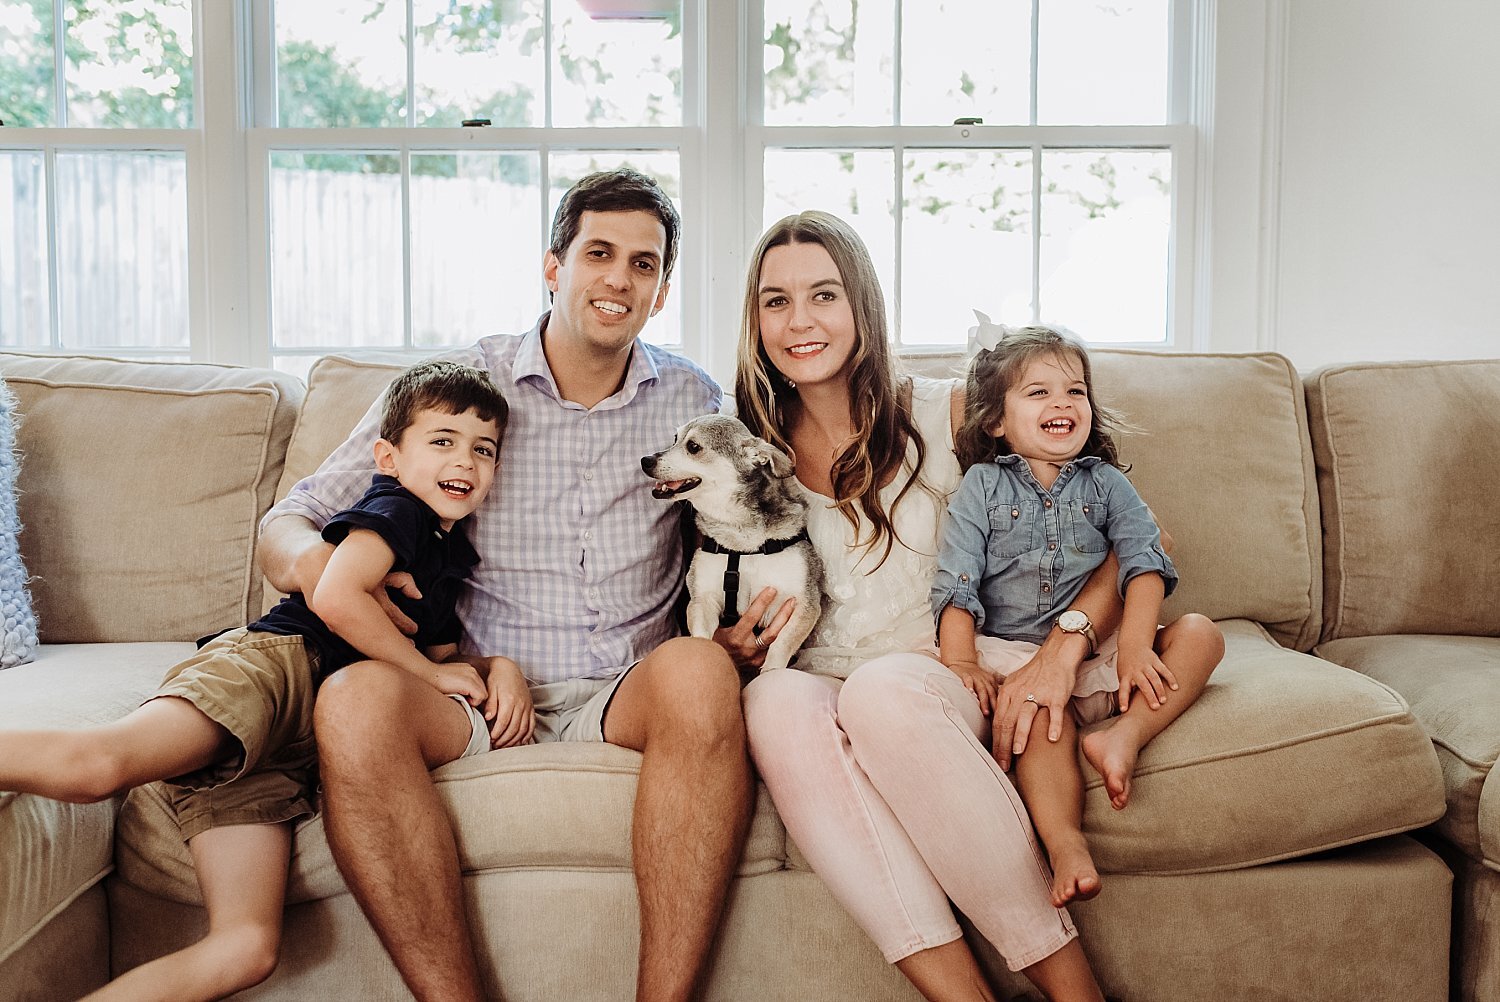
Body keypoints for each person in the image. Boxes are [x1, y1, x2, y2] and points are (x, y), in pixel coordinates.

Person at [257, 168, 770, 1002]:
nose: (618, 279)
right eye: (598, 253)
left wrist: (748, 623)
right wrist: (334, 577)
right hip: (479, 693)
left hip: (626, 687)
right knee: (350, 702)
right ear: (553, 266)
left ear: (662, 289)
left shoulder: (692, 397)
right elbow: (291, 518)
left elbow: (752, 520)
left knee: (704, 673)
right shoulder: (460, 389)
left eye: (643, 265)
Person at [0, 359, 513, 1001]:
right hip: (273, 670)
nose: (464, 462)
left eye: (483, 450)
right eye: (442, 441)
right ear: (388, 456)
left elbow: (446, 662)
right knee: (98, 766)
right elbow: (335, 596)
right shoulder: (398, 509)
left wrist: (497, 672)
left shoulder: (450, 553)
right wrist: (425, 672)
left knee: (243, 951)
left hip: (289, 750)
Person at [734, 210, 1126, 1002]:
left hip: (953, 673)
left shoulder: (946, 412)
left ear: (863, 308)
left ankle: (1077, 993)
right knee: (772, 700)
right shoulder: (749, 444)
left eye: (824, 295)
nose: (799, 321)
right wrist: (734, 643)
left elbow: (1126, 535)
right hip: (831, 678)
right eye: (775, 302)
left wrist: (1061, 651)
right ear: (755, 322)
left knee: (884, 692)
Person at [932, 320, 1224, 909]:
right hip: (1017, 654)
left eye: (1075, 391)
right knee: (1041, 714)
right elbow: (957, 583)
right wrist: (961, 659)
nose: (1062, 403)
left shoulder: (1108, 484)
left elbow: (1144, 563)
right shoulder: (981, 488)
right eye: (1038, 392)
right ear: (995, 420)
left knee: (1202, 635)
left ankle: (1122, 737)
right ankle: (1065, 843)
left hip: (1103, 653)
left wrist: (1139, 646)